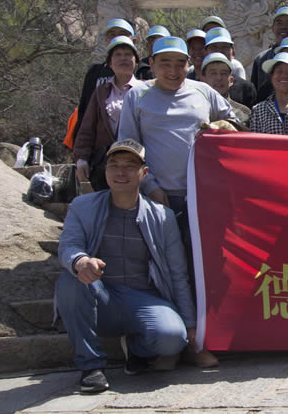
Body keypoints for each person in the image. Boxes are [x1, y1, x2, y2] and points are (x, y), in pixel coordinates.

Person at [118, 37, 243, 368]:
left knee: (201, 269)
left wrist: (223, 128)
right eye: (165, 63)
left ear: (190, 65)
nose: (173, 71)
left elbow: (233, 122)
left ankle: (200, 342)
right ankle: (170, 345)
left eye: (180, 64)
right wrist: (150, 187)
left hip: (202, 197)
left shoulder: (203, 91)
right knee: (167, 271)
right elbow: (128, 145)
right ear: (152, 64)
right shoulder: (137, 95)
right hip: (158, 199)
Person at [56, 139, 196, 394]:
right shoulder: (82, 207)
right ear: (105, 171)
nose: (121, 172)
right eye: (114, 165)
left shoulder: (163, 217)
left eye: (130, 166)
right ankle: (90, 366)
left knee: (172, 338)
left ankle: (136, 349)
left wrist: (189, 323)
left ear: (144, 173)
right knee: (70, 281)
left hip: (143, 298)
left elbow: (178, 273)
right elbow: (68, 246)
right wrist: (81, 261)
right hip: (100, 298)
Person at [74, 36, 146, 191]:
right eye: (118, 55)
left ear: (136, 61)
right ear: (110, 63)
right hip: (104, 165)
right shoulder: (101, 92)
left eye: (128, 54)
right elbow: (87, 128)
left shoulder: (146, 91)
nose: (123, 58)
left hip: (136, 164)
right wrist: (81, 159)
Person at [75, 19, 137, 142]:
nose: (117, 37)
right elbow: (84, 108)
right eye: (112, 34)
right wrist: (78, 143)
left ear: (134, 40)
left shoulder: (143, 72)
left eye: (122, 33)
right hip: (100, 144)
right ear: (106, 39)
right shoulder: (95, 72)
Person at [203, 27, 257, 107]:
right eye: (214, 47)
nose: (220, 51)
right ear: (205, 53)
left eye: (224, 47)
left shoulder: (246, 89)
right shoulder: (195, 88)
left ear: (233, 52)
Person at [198, 52, 252, 128]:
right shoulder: (192, 107)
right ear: (203, 79)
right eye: (213, 73)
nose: (219, 78)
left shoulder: (243, 113)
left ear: (231, 80)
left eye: (223, 73)